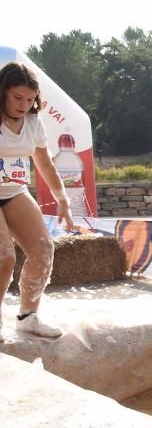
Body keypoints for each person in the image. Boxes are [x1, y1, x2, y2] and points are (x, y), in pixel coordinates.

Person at [0, 62, 74, 339]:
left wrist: (62, 200)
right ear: (3, 92)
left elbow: (44, 164)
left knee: (44, 249)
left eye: (30, 99)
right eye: (17, 98)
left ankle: (28, 316)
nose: (23, 104)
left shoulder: (33, 123)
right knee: (4, 257)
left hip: (13, 191)